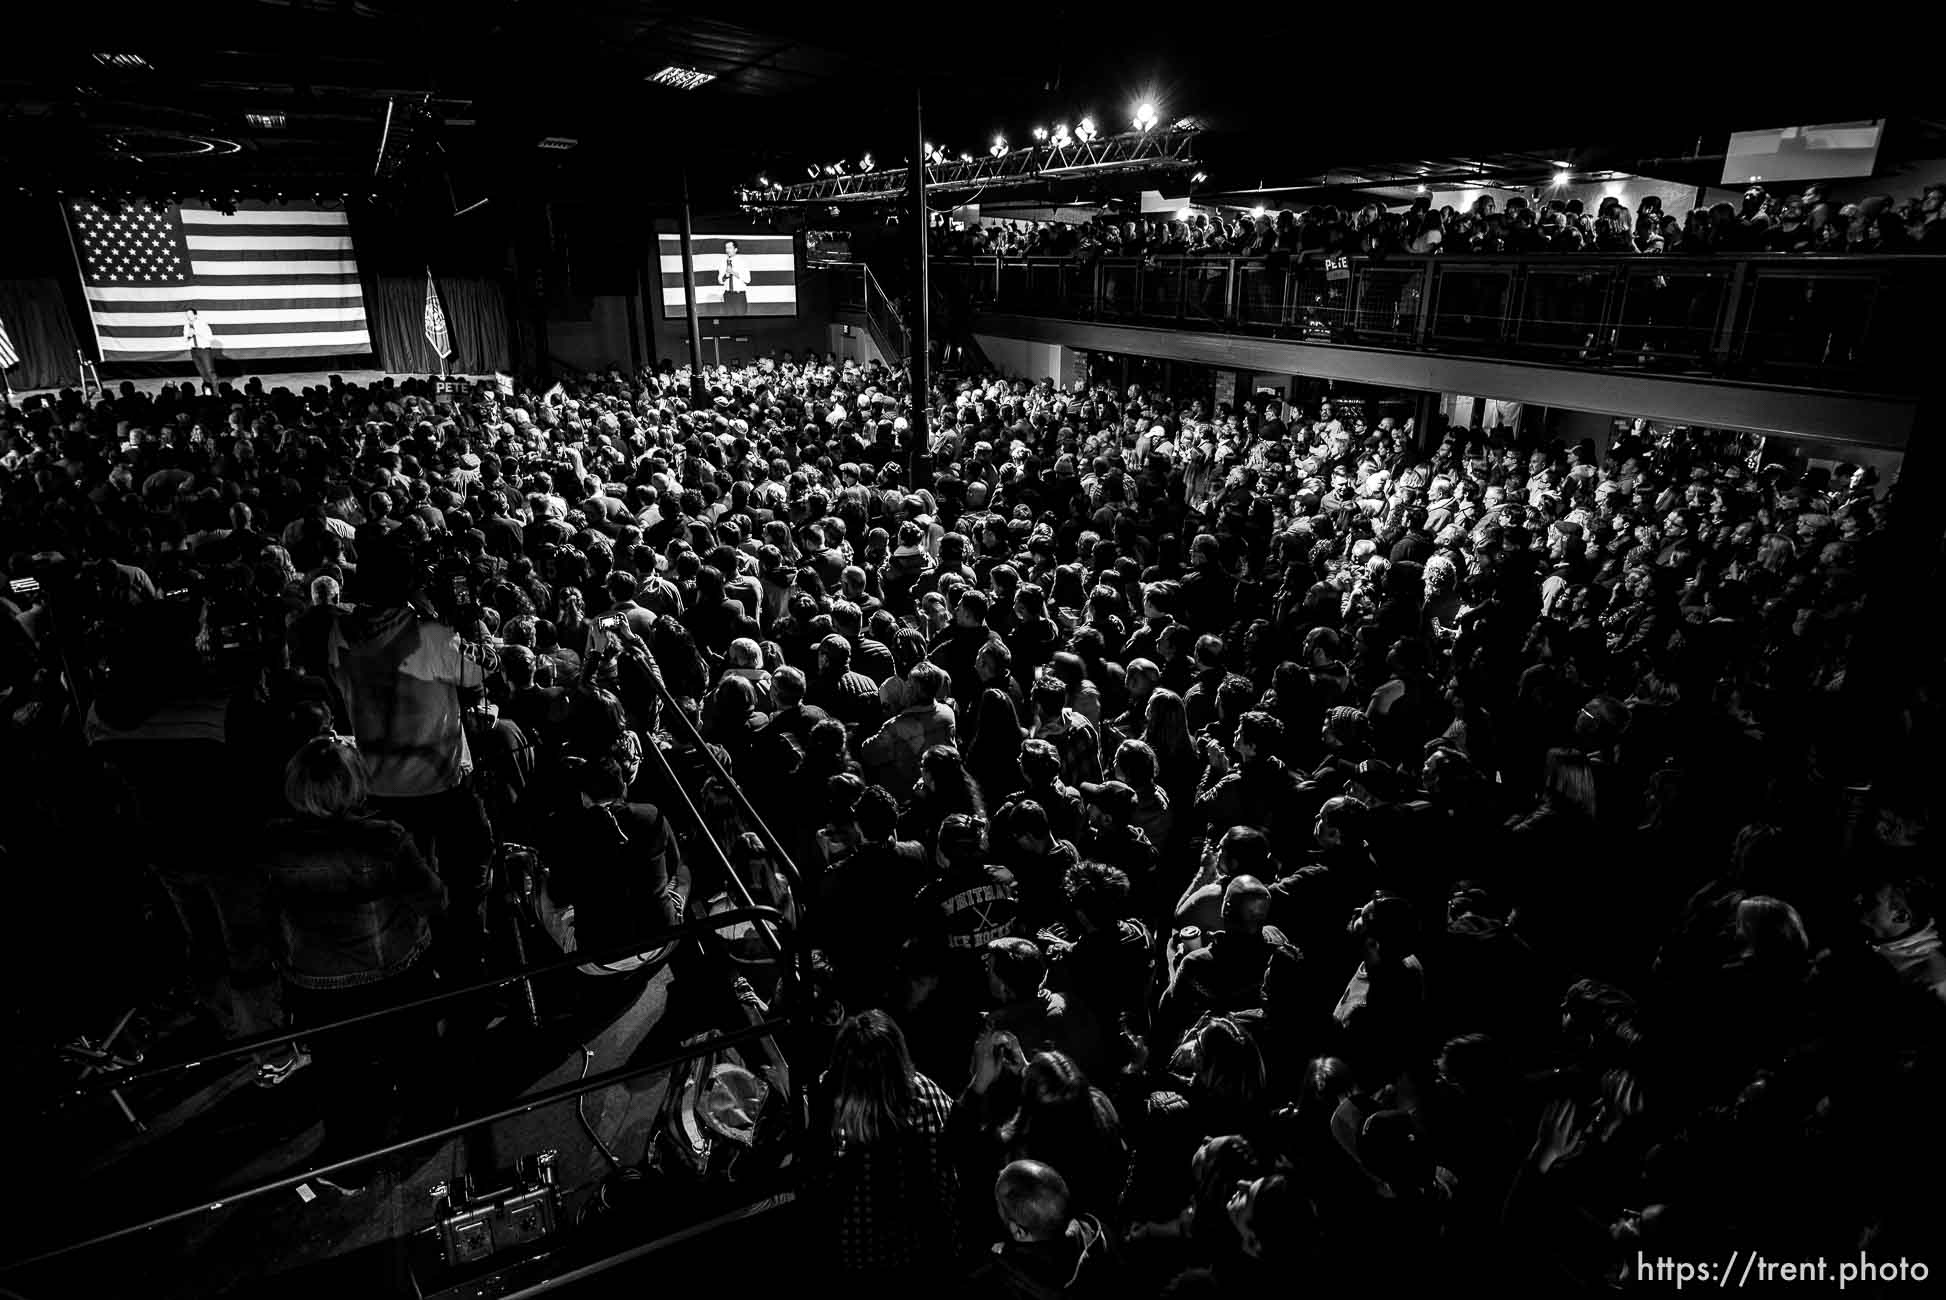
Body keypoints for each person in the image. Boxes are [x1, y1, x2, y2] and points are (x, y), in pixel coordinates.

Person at [259, 733, 445, 1192]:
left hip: (317, 982)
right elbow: (434, 899)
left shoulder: (273, 842)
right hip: (394, 971)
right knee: (416, 1055)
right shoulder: (384, 838)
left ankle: (353, 1167)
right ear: (355, 782)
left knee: (341, 1079)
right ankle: (429, 1132)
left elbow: (264, 915)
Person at [813, 1010, 958, 1282]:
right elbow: (952, 1162)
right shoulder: (924, 1094)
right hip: (922, 1252)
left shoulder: (830, 1107)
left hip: (856, 1256)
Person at [184, 308, 218, 393]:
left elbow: (210, 338)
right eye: (187, 315)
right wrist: (188, 335)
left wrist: (196, 332)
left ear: (195, 315)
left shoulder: (202, 324)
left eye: (190, 315)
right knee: (202, 373)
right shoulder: (186, 326)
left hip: (204, 351)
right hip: (194, 351)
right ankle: (208, 393)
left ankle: (216, 394)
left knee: (210, 372)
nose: (189, 317)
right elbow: (185, 339)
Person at [718, 240, 750, 315]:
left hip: (739, 296)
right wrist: (726, 275)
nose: (727, 250)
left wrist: (733, 272)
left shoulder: (742, 262)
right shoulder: (723, 263)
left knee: (740, 321)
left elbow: (748, 279)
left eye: (730, 248)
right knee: (729, 321)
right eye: (726, 248)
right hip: (728, 295)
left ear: (735, 249)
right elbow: (720, 280)